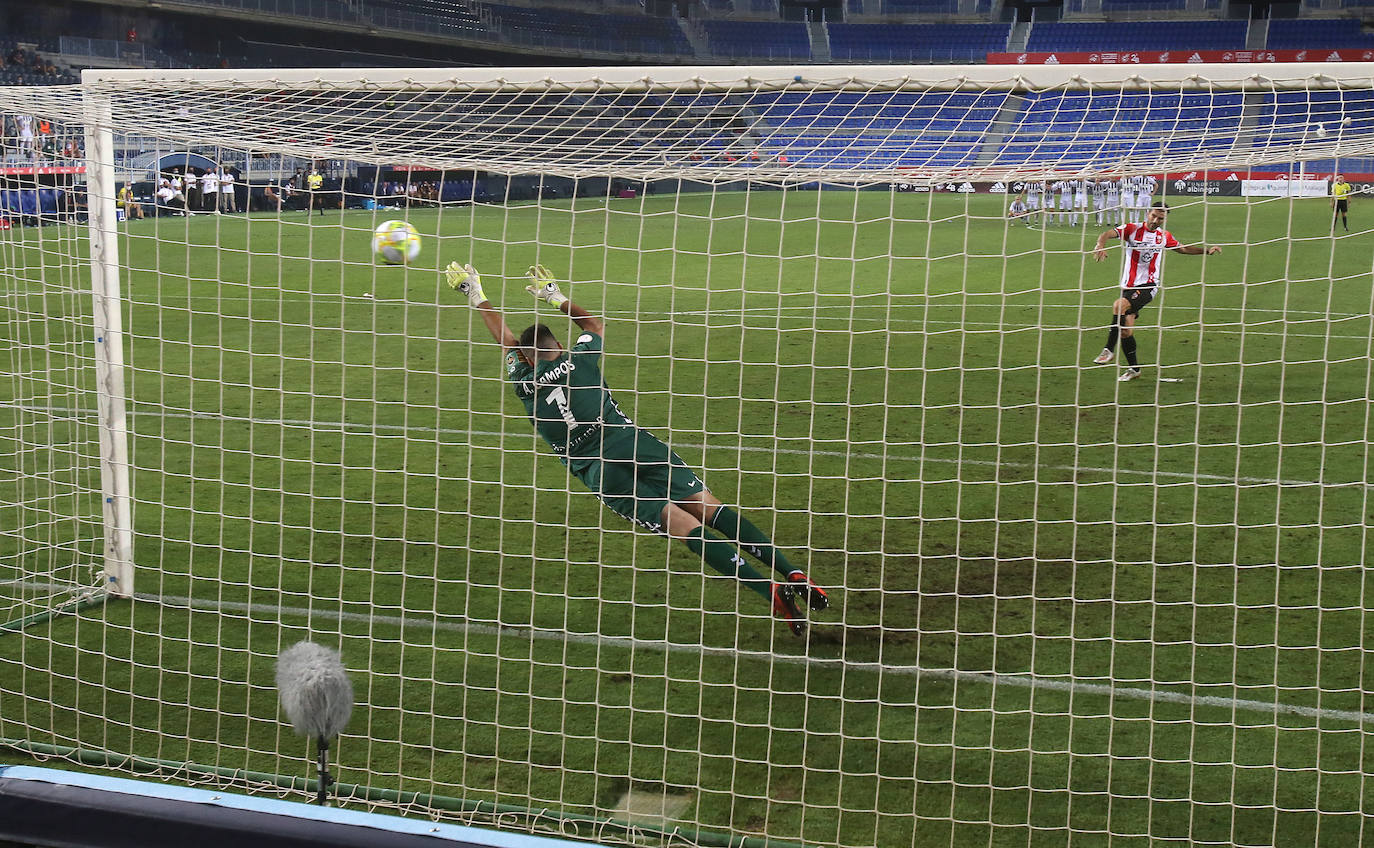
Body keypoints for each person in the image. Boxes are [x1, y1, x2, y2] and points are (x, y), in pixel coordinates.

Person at [446, 262, 829, 636]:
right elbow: (593, 325)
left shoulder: (525, 384)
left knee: (684, 527)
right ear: (560, 346)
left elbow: (507, 342)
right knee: (709, 508)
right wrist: (555, 297)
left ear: (526, 360)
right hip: (635, 445)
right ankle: (791, 571)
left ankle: (772, 593)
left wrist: (475, 293)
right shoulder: (581, 361)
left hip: (600, 471)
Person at [1091, 203, 1221, 381]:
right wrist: (1100, 245)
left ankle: (1108, 350)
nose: (1155, 220)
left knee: (1118, 305)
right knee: (1126, 332)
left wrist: (1205, 251)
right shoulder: (1131, 229)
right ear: (1148, 213)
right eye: (1153, 216)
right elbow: (1107, 234)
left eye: (1160, 218)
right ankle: (1134, 369)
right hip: (1128, 286)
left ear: (1165, 219)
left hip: (1149, 286)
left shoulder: (1163, 236)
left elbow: (1182, 248)